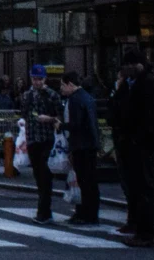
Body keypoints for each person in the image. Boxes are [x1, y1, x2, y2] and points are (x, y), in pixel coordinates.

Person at [112, 49, 154, 247]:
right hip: (135, 142)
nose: (125, 71)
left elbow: (141, 115)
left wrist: (138, 139)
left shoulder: (146, 84)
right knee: (137, 187)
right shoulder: (137, 83)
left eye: (128, 66)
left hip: (141, 144)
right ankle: (140, 227)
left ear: (137, 65)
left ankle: (146, 232)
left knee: (143, 188)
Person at [19, 64, 63, 225]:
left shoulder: (52, 95)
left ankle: (44, 210)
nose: (37, 82)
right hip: (32, 139)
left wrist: (50, 119)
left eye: (39, 79)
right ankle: (44, 209)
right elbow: (24, 113)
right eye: (34, 79)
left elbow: (60, 116)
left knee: (45, 176)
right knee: (39, 176)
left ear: (44, 79)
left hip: (47, 139)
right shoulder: (27, 95)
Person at [58, 72, 100, 226]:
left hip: (81, 145)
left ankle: (86, 214)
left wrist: (61, 125)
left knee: (84, 181)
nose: (61, 89)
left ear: (70, 84)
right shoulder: (88, 97)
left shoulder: (75, 100)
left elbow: (76, 124)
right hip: (90, 144)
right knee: (90, 181)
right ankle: (89, 213)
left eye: (63, 85)